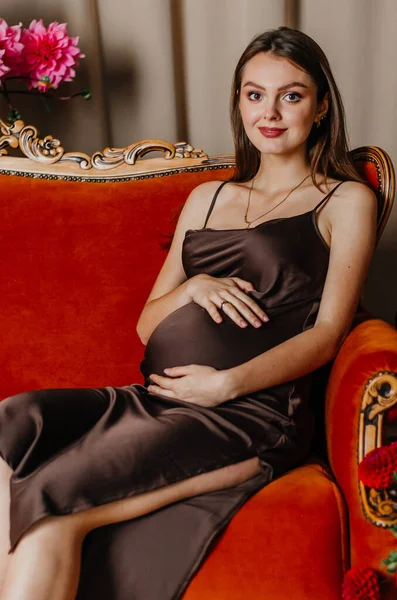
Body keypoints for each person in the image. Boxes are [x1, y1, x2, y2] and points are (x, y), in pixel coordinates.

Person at [0, 26, 377, 600]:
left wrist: (228, 384)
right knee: (14, 419)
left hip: (246, 413)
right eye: (254, 94)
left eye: (291, 95)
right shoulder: (207, 198)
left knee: (54, 500)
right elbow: (148, 323)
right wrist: (193, 287)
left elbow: (328, 334)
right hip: (153, 400)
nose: (269, 112)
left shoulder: (345, 200)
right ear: (238, 102)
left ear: (322, 105)